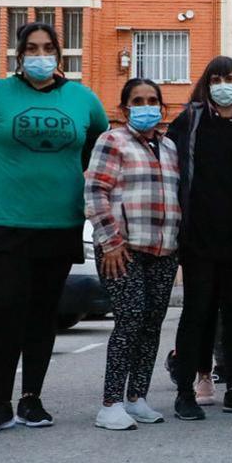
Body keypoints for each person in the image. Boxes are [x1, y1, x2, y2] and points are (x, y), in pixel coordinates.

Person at [0, 21, 109, 435]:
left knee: (44, 313)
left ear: (60, 55)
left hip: (61, 221)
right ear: (19, 55)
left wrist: (75, 174)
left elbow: (100, 146)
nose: (40, 55)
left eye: (48, 48)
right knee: (9, 309)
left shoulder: (82, 99)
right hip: (6, 221)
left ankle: (32, 400)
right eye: (32, 48)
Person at [168, 56, 232, 420]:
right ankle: (186, 389)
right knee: (197, 312)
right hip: (198, 236)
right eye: (216, 78)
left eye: (230, 78)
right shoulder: (190, 121)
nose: (223, 85)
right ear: (206, 83)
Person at [85, 79, 181, 431]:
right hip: (122, 250)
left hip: (164, 248)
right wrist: (110, 241)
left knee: (152, 324)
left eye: (153, 100)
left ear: (162, 107)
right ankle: (110, 404)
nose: (147, 106)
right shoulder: (112, 141)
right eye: (138, 101)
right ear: (125, 109)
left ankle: (136, 397)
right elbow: (95, 191)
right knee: (129, 320)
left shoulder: (169, 147)